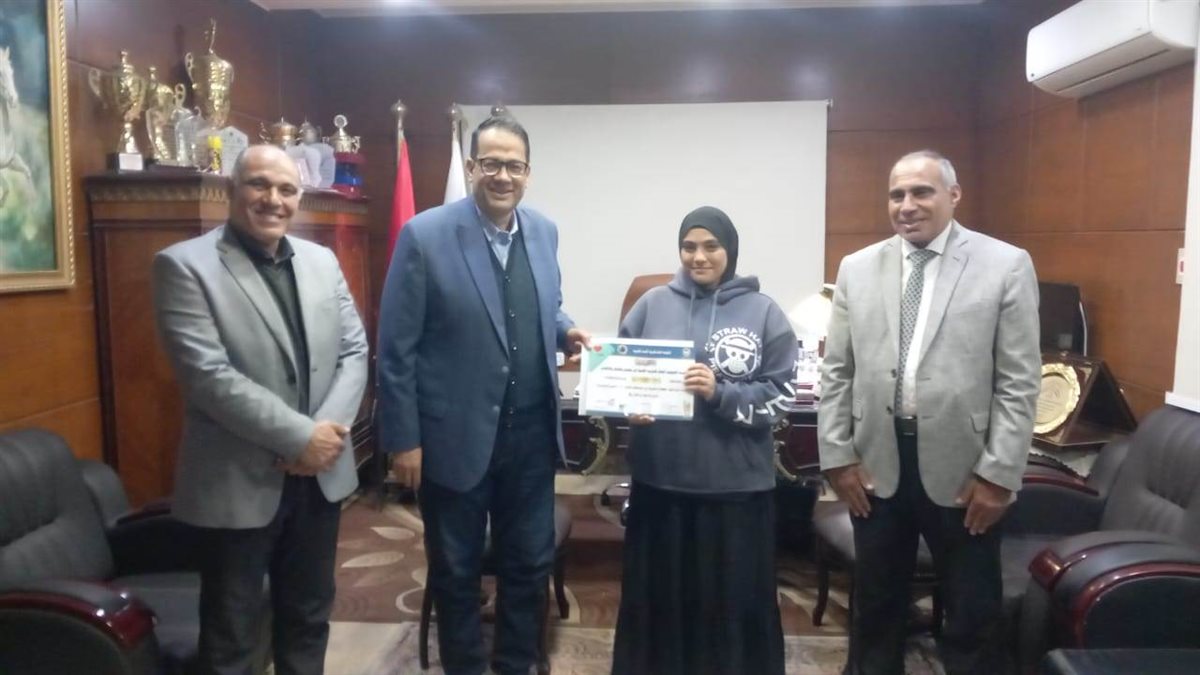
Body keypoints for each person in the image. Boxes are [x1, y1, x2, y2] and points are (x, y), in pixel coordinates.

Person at [376, 115, 591, 675]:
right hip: (453, 437)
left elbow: (544, 304)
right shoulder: (424, 235)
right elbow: (396, 348)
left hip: (530, 436)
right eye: (491, 163)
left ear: (528, 173)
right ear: (472, 167)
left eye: (514, 166)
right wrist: (403, 440)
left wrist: (566, 330)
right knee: (456, 570)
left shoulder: (544, 231)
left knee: (529, 564)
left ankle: (517, 664)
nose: (503, 176)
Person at [818, 150, 1040, 675]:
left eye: (922, 192)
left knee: (972, 612)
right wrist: (837, 458)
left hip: (966, 472)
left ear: (953, 195)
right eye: (896, 194)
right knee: (875, 608)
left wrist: (999, 476)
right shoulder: (857, 268)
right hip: (875, 465)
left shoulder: (1005, 265)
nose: (907, 205)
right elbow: (837, 372)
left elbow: (1019, 381)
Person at [152, 144, 369, 675]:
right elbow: (208, 376)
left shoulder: (321, 261)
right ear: (232, 190)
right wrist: (301, 438)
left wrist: (324, 440)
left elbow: (354, 351)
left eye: (287, 189)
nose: (274, 199)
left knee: (309, 617)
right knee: (233, 637)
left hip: (319, 479)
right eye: (259, 185)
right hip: (237, 482)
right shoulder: (183, 265)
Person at [610, 206, 795, 675]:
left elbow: (780, 398)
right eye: (689, 246)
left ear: (729, 250)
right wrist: (627, 405)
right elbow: (622, 376)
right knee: (660, 605)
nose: (699, 256)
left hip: (736, 492)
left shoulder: (764, 312)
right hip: (661, 486)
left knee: (730, 606)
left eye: (711, 246)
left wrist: (720, 393)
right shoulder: (651, 304)